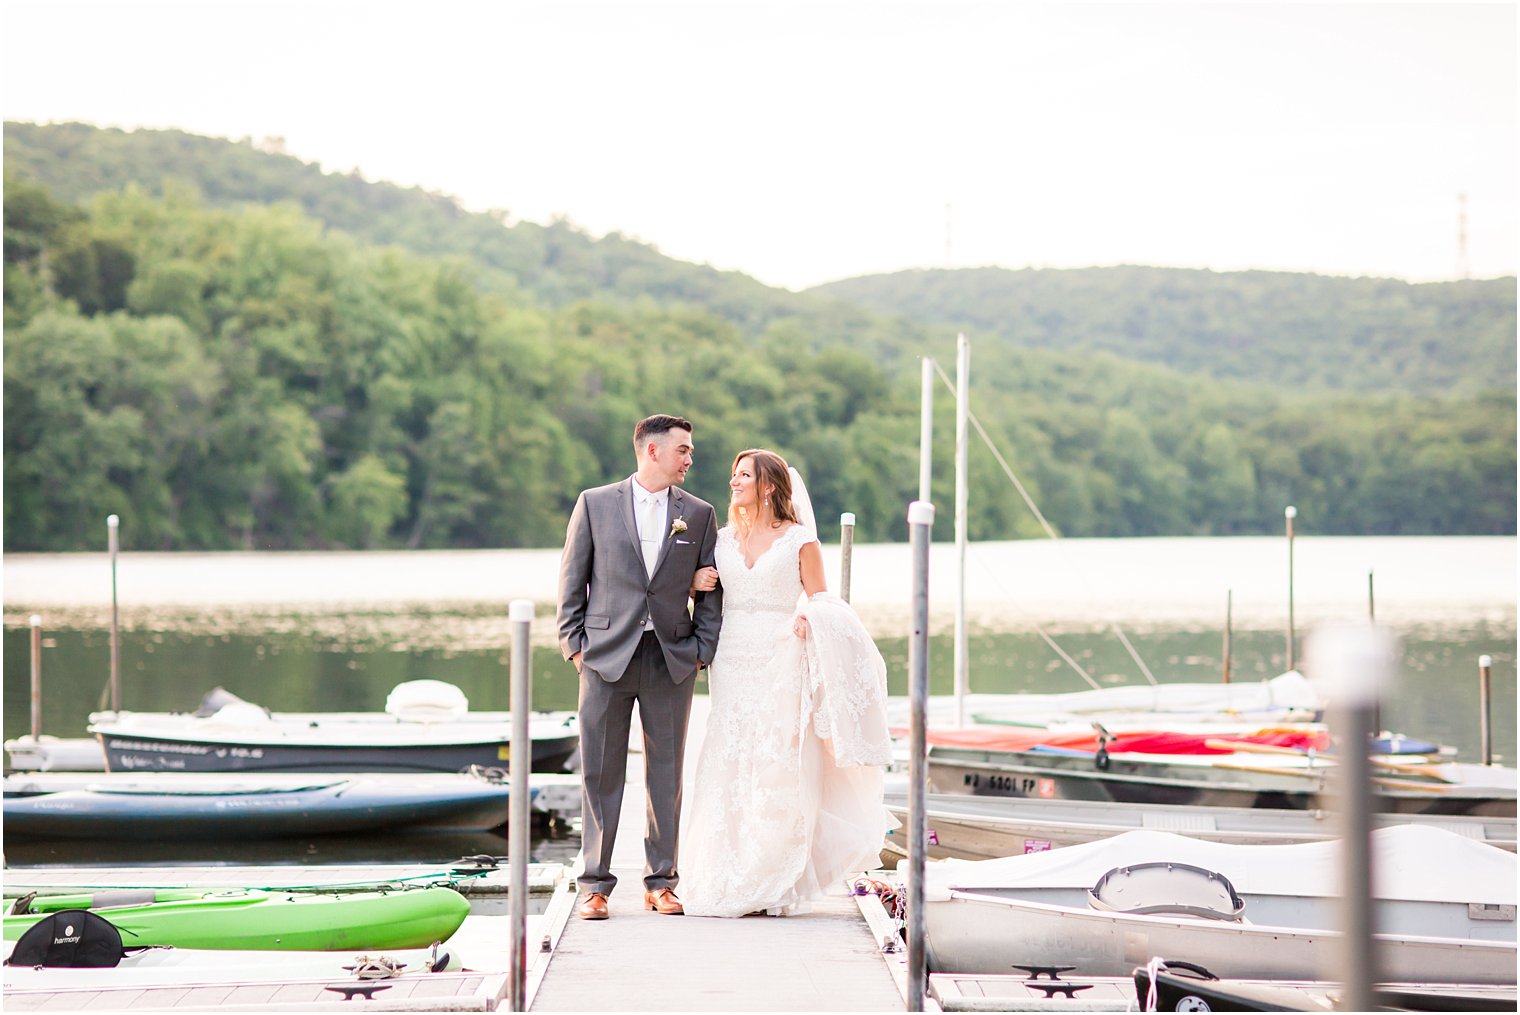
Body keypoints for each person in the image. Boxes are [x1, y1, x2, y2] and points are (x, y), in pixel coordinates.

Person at [680, 448, 895, 918]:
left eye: (743, 476)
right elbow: (696, 590)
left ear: (769, 486)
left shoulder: (801, 541)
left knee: (776, 761)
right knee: (730, 756)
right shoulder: (719, 539)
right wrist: (695, 582)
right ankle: (723, 869)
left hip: (782, 655)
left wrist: (806, 617)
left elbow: (822, 600)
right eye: (733, 475)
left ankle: (774, 875)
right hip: (732, 658)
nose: (733, 483)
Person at [556, 414, 723, 920]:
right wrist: (575, 647)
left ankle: (661, 882)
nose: (690, 459)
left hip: (671, 659)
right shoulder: (595, 503)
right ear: (652, 451)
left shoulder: (698, 513)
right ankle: (595, 886)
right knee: (600, 773)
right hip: (605, 659)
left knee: (666, 775)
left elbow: (713, 589)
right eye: (683, 450)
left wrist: (701, 648)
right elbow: (572, 580)